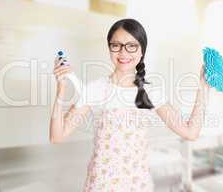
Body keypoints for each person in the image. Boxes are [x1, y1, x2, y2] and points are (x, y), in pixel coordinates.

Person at [50, 18, 210, 192]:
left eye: (131, 46)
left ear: (142, 51)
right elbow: (57, 136)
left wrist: (203, 88)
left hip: (138, 186)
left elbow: (190, 133)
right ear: (109, 48)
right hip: (101, 186)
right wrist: (61, 89)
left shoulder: (150, 93)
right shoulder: (95, 89)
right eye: (116, 45)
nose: (123, 53)